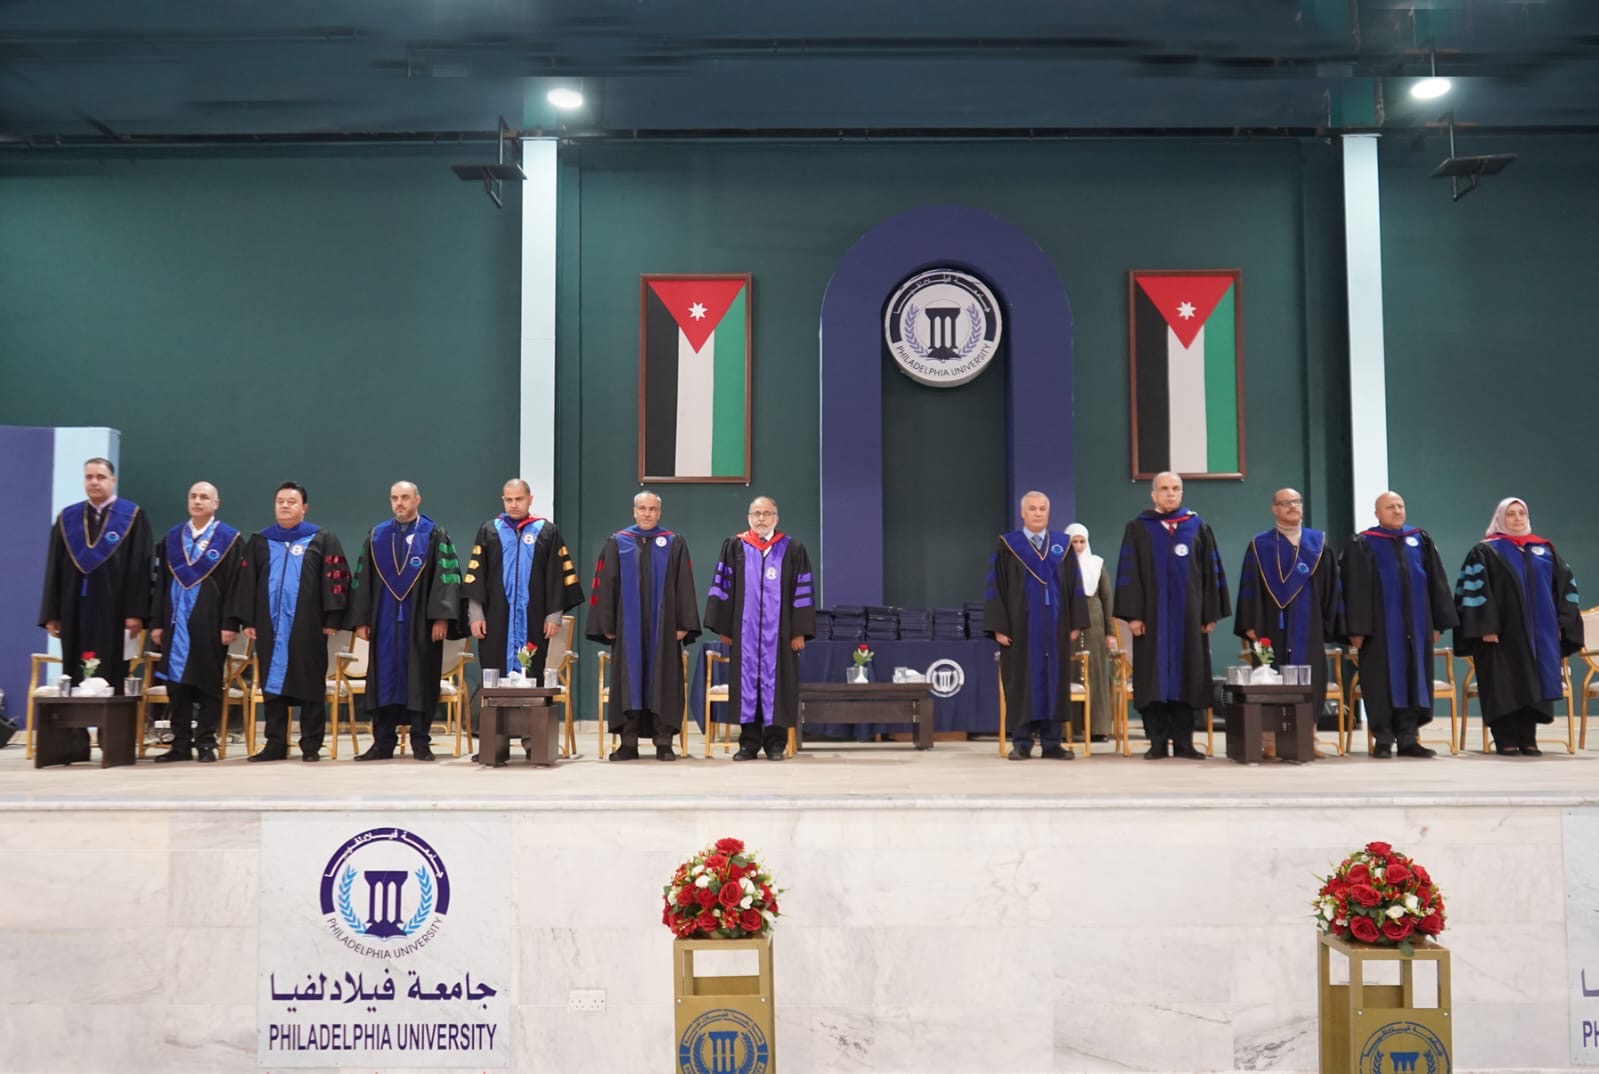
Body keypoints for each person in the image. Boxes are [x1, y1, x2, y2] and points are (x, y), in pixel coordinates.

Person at [1113, 471, 1231, 760]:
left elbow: (1210, 572)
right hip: (1151, 620)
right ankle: (1157, 742)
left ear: (1181, 492)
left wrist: (1209, 613)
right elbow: (1129, 574)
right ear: (1153, 494)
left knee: (1188, 678)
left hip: (1189, 620)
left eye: (1175, 488)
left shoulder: (1197, 527)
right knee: (1153, 680)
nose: (1170, 493)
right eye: (1164, 488)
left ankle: (1184, 743)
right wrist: (1134, 616)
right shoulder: (1138, 528)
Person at [1453, 497, 1583, 756]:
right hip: (1500, 634)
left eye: (1521, 513)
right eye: (1511, 514)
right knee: (1504, 683)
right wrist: (1485, 626)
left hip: (1541, 634)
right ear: (1500, 518)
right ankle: (1504, 738)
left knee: (1534, 682)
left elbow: (1564, 589)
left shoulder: (1544, 550)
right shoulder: (1486, 551)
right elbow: (1475, 591)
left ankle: (1528, 737)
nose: (1517, 518)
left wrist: (1562, 623)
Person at [348, 482, 462, 762]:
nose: (400, 503)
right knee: (383, 679)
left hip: (420, 623)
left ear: (417, 499)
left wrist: (441, 617)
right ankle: (382, 743)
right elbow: (363, 580)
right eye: (395, 498)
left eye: (405, 497)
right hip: (384, 622)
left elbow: (446, 578)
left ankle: (421, 743)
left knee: (419, 679)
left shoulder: (434, 534)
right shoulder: (377, 536)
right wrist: (362, 620)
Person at [236, 482, 350, 762]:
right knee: (273, 685)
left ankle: (311, 745)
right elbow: (247, 583)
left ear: (304, 507)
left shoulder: (322, 538)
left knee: (310, 683)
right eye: (280, 501)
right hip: (269, 625)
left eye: (291, 501)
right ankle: (275, 744)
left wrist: (332, 618)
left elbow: (336, 580)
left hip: (309, 624)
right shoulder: (260, 541)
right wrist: (248, 619)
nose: (285, 505)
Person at [1340, 491, 1459, 759]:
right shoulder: (1364, 542)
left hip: (1417, 626)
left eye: (1400, 506)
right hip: (1379, 629)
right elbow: (1354, 588)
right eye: (1390, 507)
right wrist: (1356, 629)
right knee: (1380, 682)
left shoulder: (1420, 539)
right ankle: (1383, 739)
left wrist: (1437, 624)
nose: (1396, 511)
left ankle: (1408, 738)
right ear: (1377, 513)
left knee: (1414, 678)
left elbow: (1436, 582)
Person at [586, 491, 702, 761]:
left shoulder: (673, 542)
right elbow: (606, 585)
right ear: (634, 511)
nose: (647, 513)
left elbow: (685, 584)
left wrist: (683, 623)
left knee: (664, 681)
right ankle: (628, 743)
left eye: (652, 509)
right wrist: (607, 623)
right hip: (627, 630)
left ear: (659, 512)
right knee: (629, 682)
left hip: (665, 628)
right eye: (642, 508)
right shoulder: (618, 542)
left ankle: (664, 742)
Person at [704, 496, 816, 761]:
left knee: (778, 686)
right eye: (756, 513)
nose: (761, 518)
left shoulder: (792, 549)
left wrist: (799, 631)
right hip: (744, 634)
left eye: (767, 513)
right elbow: (723, 588)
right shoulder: (735, 546)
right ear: (749, 518)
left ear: (776, 518)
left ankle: (775, 744)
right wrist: (724, 627)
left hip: (780, 635)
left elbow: (802, 592)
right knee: (747, 686)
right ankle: (748, 744)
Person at [1233, 488, 1341, 754]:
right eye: (1285, 503)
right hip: (1269, 626)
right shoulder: (1260, 545)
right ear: (1274, 509)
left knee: (1311, 678)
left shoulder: (1318, 544)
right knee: (1268, 677)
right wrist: (1250, 624)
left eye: (1296, 501)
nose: (1292, 506)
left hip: (1309, 626)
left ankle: (1308, 739)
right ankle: (1268, 741)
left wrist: (1329, 623)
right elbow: (1250, 587)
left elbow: (1331, 589)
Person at [984, 493, 1088, 760]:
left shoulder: (1062, 546)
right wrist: (999, 626)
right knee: (1021, 681)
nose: (1038, 513)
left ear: (1048, 512)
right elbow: (996, 587)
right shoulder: (1008, 546)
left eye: (1042, 509)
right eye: (1032, 508)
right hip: (1020, 628)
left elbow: (1075, 585)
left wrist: (1076, 622)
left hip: (1056, 627)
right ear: (1023, 513)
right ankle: (1022, 742)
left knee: (1055, 681)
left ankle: (1052, 743)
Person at [39, 457, 153, 692]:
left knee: (114, 669)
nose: (94, 482)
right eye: (89, 477)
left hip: (116, 610)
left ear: (113, 480)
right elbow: (54, 568)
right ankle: (75, 717)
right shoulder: (68, 518)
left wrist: (135, 612)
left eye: (101, 477)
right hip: (75, 607)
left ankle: (112, 716)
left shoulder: (132, 516)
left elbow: (140, 569)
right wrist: (52, 613)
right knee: (74, 667)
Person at [150, 482, 243, 763]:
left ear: (216, 504)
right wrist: (157, 622)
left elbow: (236, 586)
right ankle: (180, 744)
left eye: (204, 497)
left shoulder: (229, 539)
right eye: (193, 496)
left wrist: (230, 623)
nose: (198, 501)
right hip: (175, 623)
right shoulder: (173, 538)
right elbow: (160, 584)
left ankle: (205, 742)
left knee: (208, 684)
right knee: (177, 686)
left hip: (210, 623)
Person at [462, 479, 584, 687]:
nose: (514, 504)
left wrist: (554, 616)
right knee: (494, 673)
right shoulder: (489, 531)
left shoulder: (547, 531)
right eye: (509, 500)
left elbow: (558, 574)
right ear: (503, 500)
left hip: (534, 617)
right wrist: (476, 615)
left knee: (533, 670)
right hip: (495, 618)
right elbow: (476, 574)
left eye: (519, 499)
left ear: (530, 499)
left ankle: (530, 709)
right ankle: (498, 710)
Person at [1065, 523, 1115, 743]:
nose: (1078, 546)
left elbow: (1106, 597)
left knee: (1095, 671)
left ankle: (1097, 728)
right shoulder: (1061, 565)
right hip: (1069, 622)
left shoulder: (1097, 564)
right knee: (1071, 670)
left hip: (1095, 621)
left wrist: (1110, 632)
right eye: (1074, 542)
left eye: (1081, 541)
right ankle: (1070, 728)